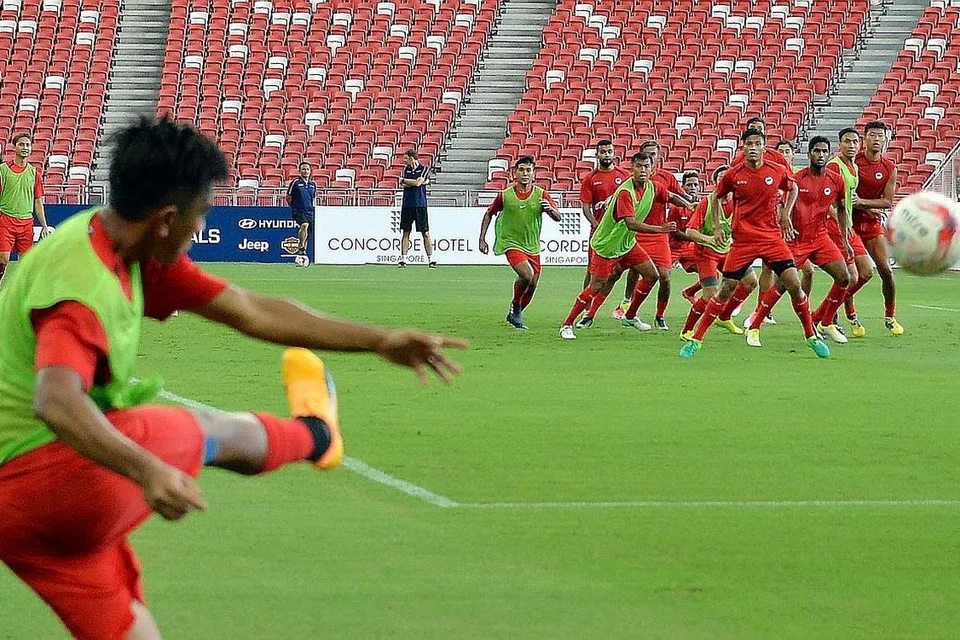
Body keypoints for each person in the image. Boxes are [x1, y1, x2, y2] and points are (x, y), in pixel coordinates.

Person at [0, 117, 468, 640]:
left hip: (23, 523)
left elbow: (251, 310)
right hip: (54, 474)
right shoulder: (82, 287)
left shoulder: (119, 243)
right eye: (199, 217)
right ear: (166, 218)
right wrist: (148, 470)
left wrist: (379, 339)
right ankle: (317, 434)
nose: (199, 231)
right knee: (209, 429)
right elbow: (57, 401)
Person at [679, 128, 830, 359]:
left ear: (763, 147)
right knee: (725, 290)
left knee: (794, 284)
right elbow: (718, 197)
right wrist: (718, 226)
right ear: (743, 147)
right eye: (748, 143)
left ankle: (811, 336)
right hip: (743, 242)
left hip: (771, 238)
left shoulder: (777, 170)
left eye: (757, 143)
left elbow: (793, 188)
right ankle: (696, 340)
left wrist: (785, 214)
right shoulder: (733, 174)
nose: (752, 147)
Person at [742, 137, 852, 345]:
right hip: (796, 240)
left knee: (844, 278)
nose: (820, 155)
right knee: (782, 286)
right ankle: (755, 326)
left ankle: (826, 322)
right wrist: (784, 222)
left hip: (820, 237)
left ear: (829, 155)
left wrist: (845, 238)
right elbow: (781, 204)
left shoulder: (836, 180)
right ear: (809, 153)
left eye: (824, 151)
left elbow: (842, 209)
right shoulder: (797, 179)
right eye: (816, 151)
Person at [559, 151, 680, 340]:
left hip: (627, 243)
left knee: (652, 275)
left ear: (652, 168)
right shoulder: (625, 192)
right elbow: (631, 223)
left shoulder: (653, 187)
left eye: (646, 166)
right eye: (638, 166)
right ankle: (566, 325)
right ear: (632, 168)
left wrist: (689, 204)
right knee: (595, 286)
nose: (643, 170)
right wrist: (661, 229)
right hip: (607, 245)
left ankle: (630, 315)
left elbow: (671, 196)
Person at [613, 140, 694, 330]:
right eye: (647, 154)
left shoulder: (666, 178)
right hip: (638, 231)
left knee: (665, 276)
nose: (651, 158)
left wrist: (690, 202)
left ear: (658, 158)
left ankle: (659, 315)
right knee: (629, 271)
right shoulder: (631, 181)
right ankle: (626, 303)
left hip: (659, 234)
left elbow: (678, 195)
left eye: (654, 155)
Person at [478, 155, 561, 330]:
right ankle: (515, 306)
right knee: (527, 275)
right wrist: (482, 238)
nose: (524, 173)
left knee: (533, 283)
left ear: (533, 174)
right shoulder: (506, 195)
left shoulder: (541, 195)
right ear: (515, 174)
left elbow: (558, 217)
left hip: (532, 246)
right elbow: (489, 213)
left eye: (528, 170)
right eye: (521, 170)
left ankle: (516, 312)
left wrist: (550, 209)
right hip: (510, 242)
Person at [848, 121, 902, 335]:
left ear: (885, 139)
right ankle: (849, 313)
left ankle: (890, 316)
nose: (876, 139)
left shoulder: (889, 168)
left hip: (871, 225)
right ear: (865, 138)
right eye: (872, 135)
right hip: (849, 225)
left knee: (887, 272)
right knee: (853, 274)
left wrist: (862, 202)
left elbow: (888, 202)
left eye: (880, 135)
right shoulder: (853, 162)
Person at [678, 165, 744, 338]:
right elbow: (690, 232)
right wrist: (709, 239)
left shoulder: (740, 201)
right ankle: (687, 330)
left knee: (750, 281)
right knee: (710, 296)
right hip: (706, 253)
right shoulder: (706, 203)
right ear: (715, 183)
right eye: (721, 178)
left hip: (729, 250)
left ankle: (725, 316)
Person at [821, 127, 873, 336]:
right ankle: (826, 318)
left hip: (847, 225)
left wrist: (868, 209)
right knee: (849, 276)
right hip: (835, 227)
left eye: (854, 142)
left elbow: (848, 199)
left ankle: (825, 313)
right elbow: (827, 200)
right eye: (847, 142)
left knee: (866, 272)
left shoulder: (854, 167)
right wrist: (840, 226)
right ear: (839, 144)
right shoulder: (834, 166)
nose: (851, 145)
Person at [0, 133, 51, 286]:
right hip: (5, 220)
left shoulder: (34, 173)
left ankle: (20, 296)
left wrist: (44, 226)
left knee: (26, 264)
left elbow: (38, 202)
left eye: (28, 145)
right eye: (21, 144)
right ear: (14, 147)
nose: (25, 147)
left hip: (26, 223)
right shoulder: (3, 170)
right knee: (3, 259)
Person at [578, 139, 629, 289]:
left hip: (621, 230)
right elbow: (586, 207)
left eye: (609, 152)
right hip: (599, 231)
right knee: (592, 270)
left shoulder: (624, 175)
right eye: (603, 152)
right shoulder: (590, 178)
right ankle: (585, 305)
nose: (606, 155)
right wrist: (596, 225)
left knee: (624, 268)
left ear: (614, 154)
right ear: (597, 155)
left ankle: (626, 304)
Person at [398, 149, 435, 268]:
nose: (404, 161)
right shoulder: (406, 170)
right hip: (407, 204)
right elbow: (408, 184)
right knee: (406, 232)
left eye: (405, 158)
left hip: (420, 204)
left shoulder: (423, 169)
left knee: (425, 232)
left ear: (411, 158)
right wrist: (411, 182)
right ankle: (403, 259)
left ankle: (431, 259)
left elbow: (418, 183)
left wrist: (405, 181)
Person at [674, 170, 704, 305]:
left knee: (712, 275)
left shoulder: (703, 206)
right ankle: (628, 304)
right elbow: (673, 231)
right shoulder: (676, 207)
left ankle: (690, 292)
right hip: (672, 248)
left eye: (695, 185)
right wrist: (694, 238)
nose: (692, 188)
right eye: (689, 185)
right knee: (654, 276)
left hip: (691, 249)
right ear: (683, 187)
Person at [286, 161, 316, 262]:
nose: (306, 171)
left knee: (307, 233)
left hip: (310, 211)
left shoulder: (313, 184)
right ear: (300, 171)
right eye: (303, 169)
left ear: (310, 171)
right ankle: (302, 247)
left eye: (307, 169)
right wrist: (293, 207)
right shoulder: (295, 183)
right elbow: (288, 196)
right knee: (304, 225)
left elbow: (313, 198)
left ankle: (302, 256)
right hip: (298, 210)